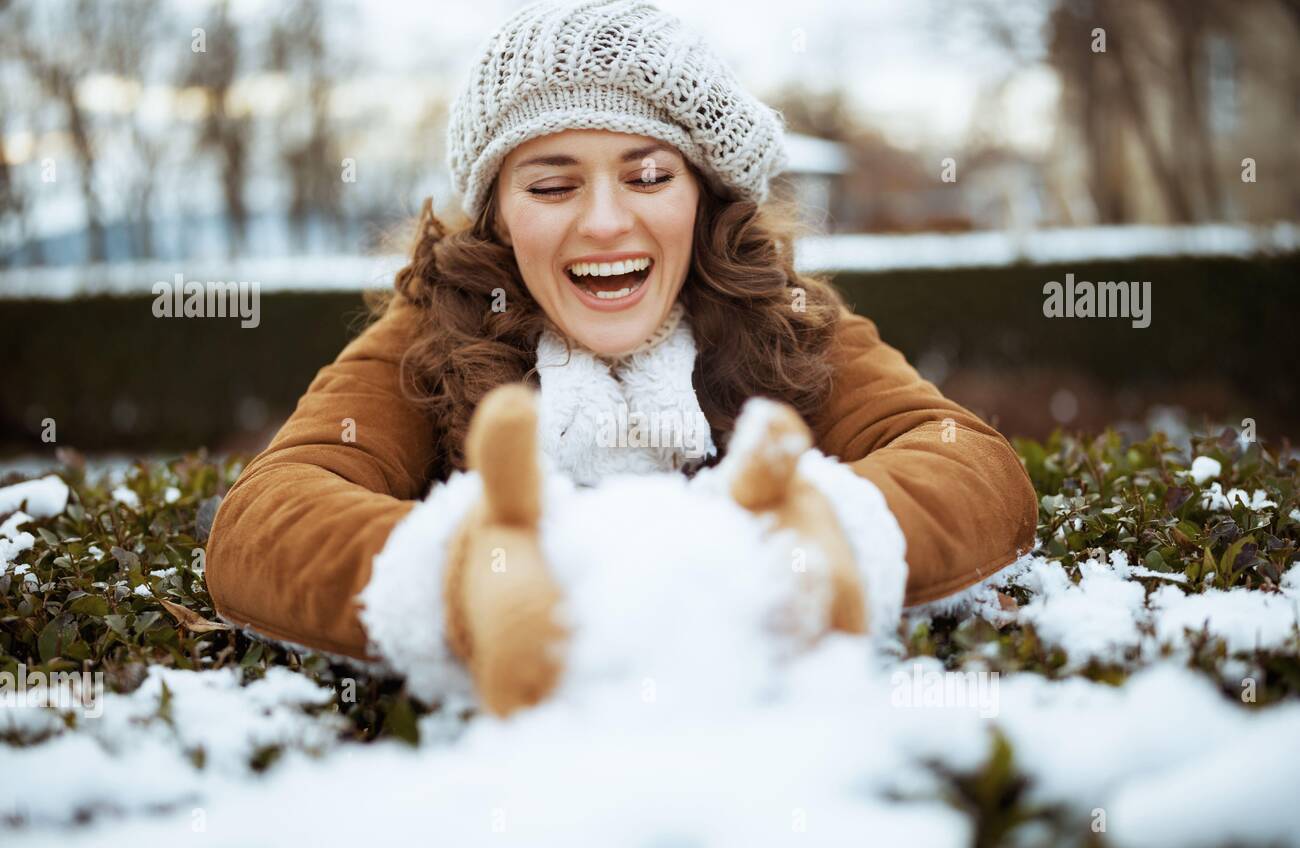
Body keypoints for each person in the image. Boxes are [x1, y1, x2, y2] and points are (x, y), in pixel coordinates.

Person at [206, 0, 1037, 717]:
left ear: (701, 194)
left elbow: (971, 470)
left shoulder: (783, 318)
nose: (605, 223)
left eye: (647, 176)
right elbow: (267, 520)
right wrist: (469, 577)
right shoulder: (432, 330)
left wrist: (809, 542)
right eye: (553, 186)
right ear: (496, 214)